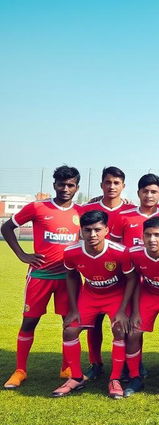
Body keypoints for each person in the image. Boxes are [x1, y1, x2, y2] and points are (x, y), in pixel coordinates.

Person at [3, 165, 81, 389]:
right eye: (61, 184)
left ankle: (66, 367)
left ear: (77, 187)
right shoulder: (37, 208)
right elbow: (7, 228)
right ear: (54, 184)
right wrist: (22, 255)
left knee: (69, 323)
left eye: (70, 185)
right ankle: (20, 370)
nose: (65, 188)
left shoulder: (81, 212)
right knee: (30, 321)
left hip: (69, 277)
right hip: (40, 275)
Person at [52, 210, 135, 398]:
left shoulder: (121, 252)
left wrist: (123, 310)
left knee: (119, 329)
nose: (92, 235)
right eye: (87, 230)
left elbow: (131, 279)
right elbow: (72, 276)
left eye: (97, 230)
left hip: (116, 295)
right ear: (81, 230)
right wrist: (73, 309)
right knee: (70, 330)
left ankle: (115, 379)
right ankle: (76, 377)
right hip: (90, 295)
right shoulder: (72, 252)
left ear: (107, 229)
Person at [80, 166, 135, 381]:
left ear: (123, 186)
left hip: (123, 277)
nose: (112, 186)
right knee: (93, 324)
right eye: (108, 182)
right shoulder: (88, 208)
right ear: (101, 184)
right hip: (95, 276)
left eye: (116, 183)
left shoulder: (130, 211)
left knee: (124, 325)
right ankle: (96, 363)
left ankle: (130, 364)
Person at [123, 217, 159, 398]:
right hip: (149, 295)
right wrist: (134, 311)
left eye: (157, 235)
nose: (152, 239)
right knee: (133, 332)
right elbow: (133, 281)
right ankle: (135, 377)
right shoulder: (134, 253)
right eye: (147, 235)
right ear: (142, 236)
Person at [110, 174, 159, 247]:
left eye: (153, 192)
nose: (149, 195)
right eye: (145, 191)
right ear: (138, 193)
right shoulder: (123, 216)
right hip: (130, 258)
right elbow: (114, 244)